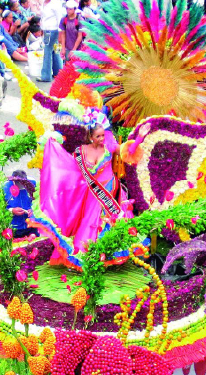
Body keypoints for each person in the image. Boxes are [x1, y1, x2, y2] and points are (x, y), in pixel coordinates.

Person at [27, 106, 133, 262]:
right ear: (90, 137)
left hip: (112, 191)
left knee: (115, 221)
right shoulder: (80, 151)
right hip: (93, 195)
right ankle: (95, 257)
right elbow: (68, 168)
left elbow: (125, 151)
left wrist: (137, 143)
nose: (102, 139)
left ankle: (113, 254)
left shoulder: (109, 145)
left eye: (103, 135)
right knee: (91, 226)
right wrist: (53, 145)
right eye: (98, 136)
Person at [3, 169, 38, 238]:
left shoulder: (33, 183)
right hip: (15, 228)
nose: (21, 185)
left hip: (32, 225)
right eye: (18, 182)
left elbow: (38, 201)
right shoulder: (5, 187)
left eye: (23, 182)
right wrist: (12, 210)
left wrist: (33, 210)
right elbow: (0, 209)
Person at [37, 0, 64, 82]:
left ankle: (46, 76)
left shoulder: (55, 1)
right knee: (55, 51)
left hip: (52, 30)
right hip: (47, 29)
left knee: (47, 51)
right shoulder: (44, 0)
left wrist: (60, 32)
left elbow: (59, 17)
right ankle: (58, 72)